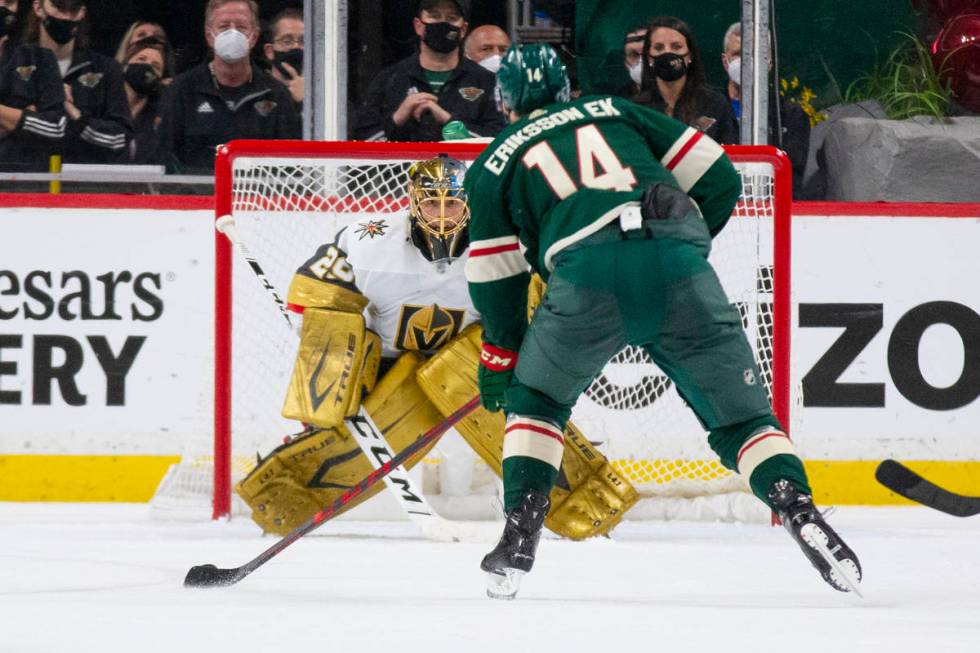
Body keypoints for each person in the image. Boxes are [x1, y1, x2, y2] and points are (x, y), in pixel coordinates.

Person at [464, 43, 862, 600]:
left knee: (538, 404)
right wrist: (684, 250)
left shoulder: (492, 162)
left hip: (586, 276)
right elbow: (720, 176)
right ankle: (797, 507)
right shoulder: (614, 110)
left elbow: (496, 281)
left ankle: (519, 532)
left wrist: (501, 359)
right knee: (744, 421)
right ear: (564, 91)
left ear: (504, 102)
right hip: (677, 258)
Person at [235, 155, 637, 544]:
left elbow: (546, 298)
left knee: (476, 380)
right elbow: (316, 296)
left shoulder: (503, 242)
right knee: (342, 370)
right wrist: (334, 354)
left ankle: (572, 493)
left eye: (452, 203)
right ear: (412, 201)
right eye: (431, 202)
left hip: (477, 358)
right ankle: (293, 483)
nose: (442, 213)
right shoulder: (369, 240)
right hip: (389, 361)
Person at [158, 0, 299, 173]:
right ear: (209, 36)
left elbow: (290, 166)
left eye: (241, 27)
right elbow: (166, 159)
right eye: (224, 27)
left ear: (254, 37)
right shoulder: (182, 90)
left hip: (256, 197)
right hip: (196, 196)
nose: (233, 33)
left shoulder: (275, 94)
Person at [351, 0, 505, 142]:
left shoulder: (485, 81)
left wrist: (448, 120)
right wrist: (397, 117)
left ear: (463, 29)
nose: (443, 23)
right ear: (419, 26)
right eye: (434, 16)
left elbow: (497, 143)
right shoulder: (390, 80)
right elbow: (361, 142)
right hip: (406, 172)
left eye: (451, 18)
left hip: (463, 171)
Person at [26, 0, 131, 163]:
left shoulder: (105, 69)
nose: (66, 17)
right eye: (59, 7)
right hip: (25, 179)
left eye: (73, 9)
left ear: (82, 12)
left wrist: (77, 116)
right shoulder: (14, 65)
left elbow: (121, 138)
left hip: (82, 179)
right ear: (39, 7)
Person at [721, 21, 810, 196]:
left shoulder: (790, 115)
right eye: (738, 54)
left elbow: (792, 178)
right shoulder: (708, 109)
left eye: (756, 54)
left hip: (772, 212)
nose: (746, 63)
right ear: (726, 61)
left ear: (769, 62)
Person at [632, 16, 738, 145]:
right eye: (659, 48)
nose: (667, 53)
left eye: (676, 47)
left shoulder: (715, 104)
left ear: (690, 55)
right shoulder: (636, 109)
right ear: (649, 57)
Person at [0, 0, 66, 171]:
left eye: (8, 2)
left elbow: (56, 127)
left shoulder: (40, 58)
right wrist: (21, 117)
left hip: (25, 183)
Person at [120, 37, 170, 164]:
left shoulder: (160, 120)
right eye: (141, 59)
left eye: (156, 66)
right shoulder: (103, 107)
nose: (147, 67)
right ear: (125, 66)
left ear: (160, 79)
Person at [262, 8, 303, 107]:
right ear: (269, 51)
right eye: (287, 41)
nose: (296, 46)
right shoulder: (257, 92)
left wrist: (306, 101)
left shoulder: (326, 93)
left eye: (303, 41)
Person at [619, 23, 647, 97]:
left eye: (648, 52)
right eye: (634, 55)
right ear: (626, 63)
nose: (643, 61)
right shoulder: (619, 101)